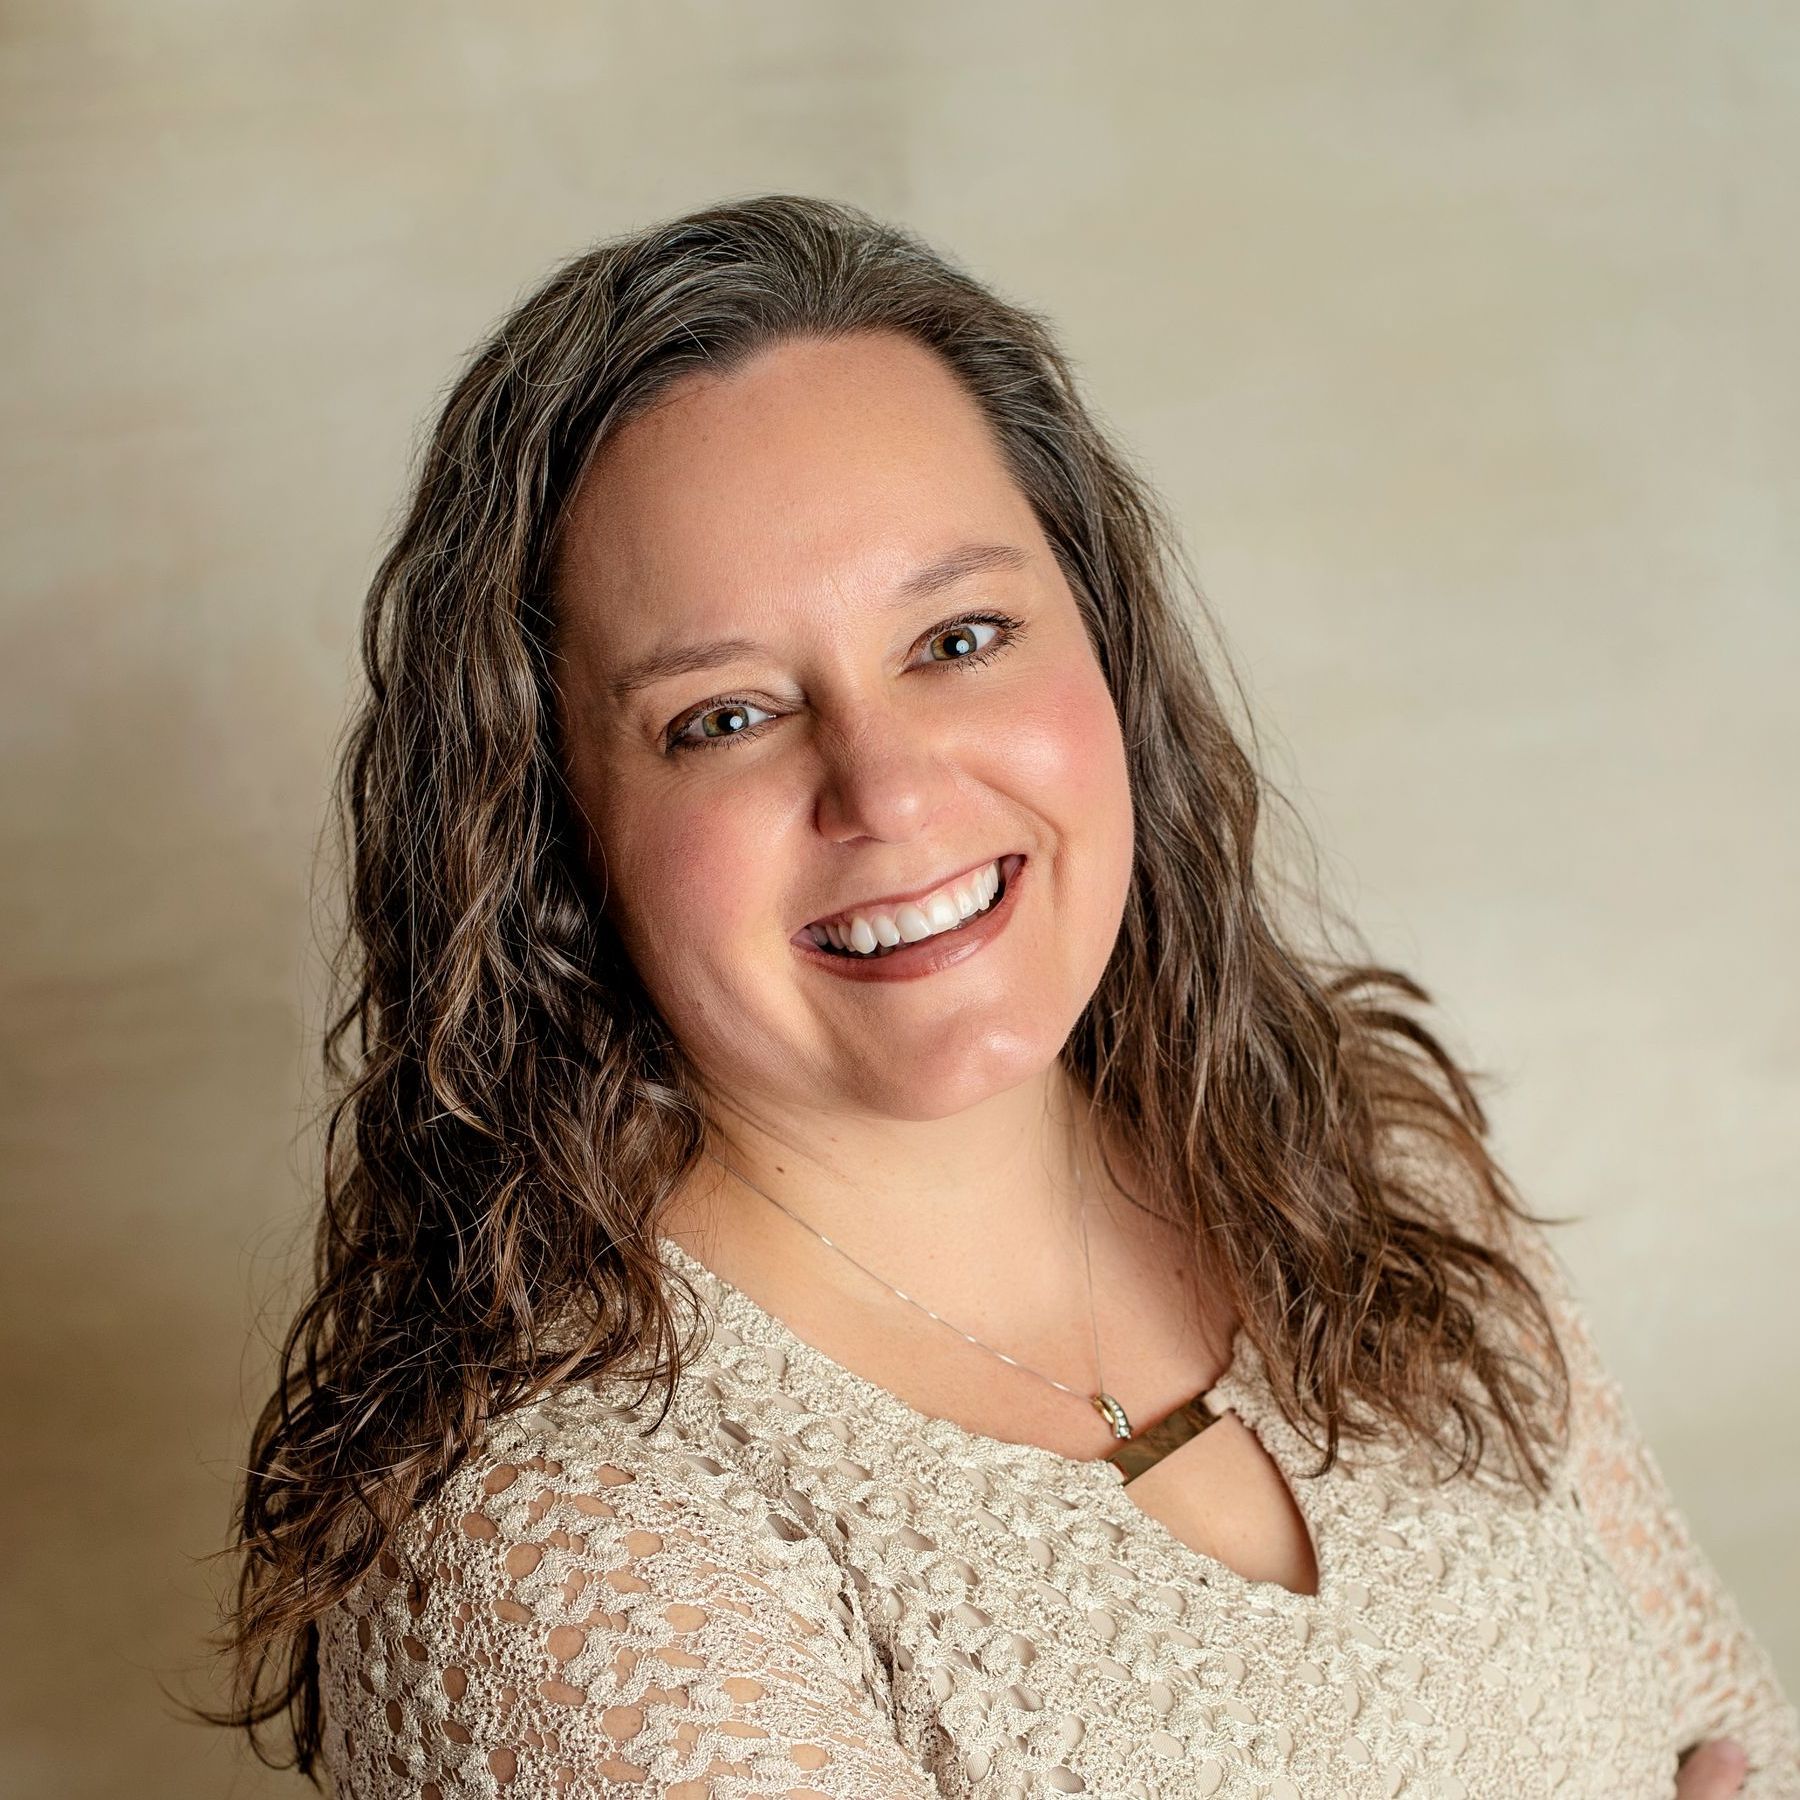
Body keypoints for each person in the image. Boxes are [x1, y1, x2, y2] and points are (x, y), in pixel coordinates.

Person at [202, 195, 1798, 1797]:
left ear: (1103, 642)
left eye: (959, 637)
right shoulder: (555, 1555)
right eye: (724, 718)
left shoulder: (1367, 1168)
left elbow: (1743, 1736)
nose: (885, 791)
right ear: (556, 829)